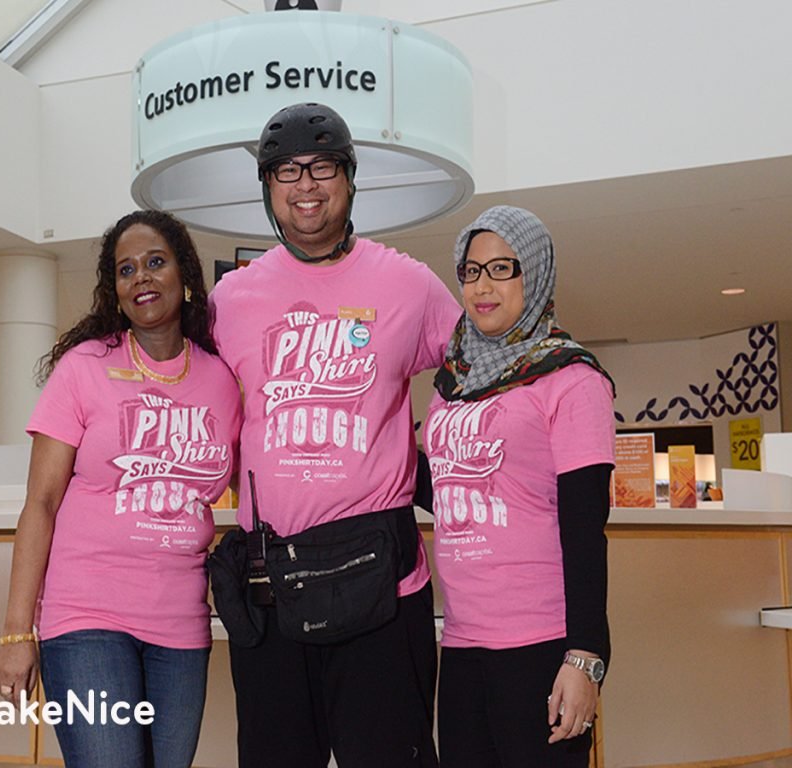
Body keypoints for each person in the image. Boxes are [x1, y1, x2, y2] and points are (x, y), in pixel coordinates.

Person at [209, 102, 461, 768]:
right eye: (287, 171)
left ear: (350, 178)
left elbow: (478, 371)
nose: (306, 185)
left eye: (322, 167)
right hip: (271, 587)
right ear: (267, 189)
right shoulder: (231, 299)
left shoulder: (408, 283)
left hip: (382, 588)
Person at [0, 210, 241, 768]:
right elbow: (40, 504)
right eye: (126, 270)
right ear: (115, 290)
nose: (142, 278)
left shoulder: (221, 382)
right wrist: (16, 633)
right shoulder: (85, 368)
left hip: (180, 623)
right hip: (86, 617)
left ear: (185, 275)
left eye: (155, 262)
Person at [422, 205, 615, 767]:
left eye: (502, 268)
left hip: (541, 645)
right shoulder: (452, 384)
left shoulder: (571, 380)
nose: (483, 286)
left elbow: (584, 530)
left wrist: (585, 658)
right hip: (460, 643)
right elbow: (454, 495)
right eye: (471, 270)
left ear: (534, 275)